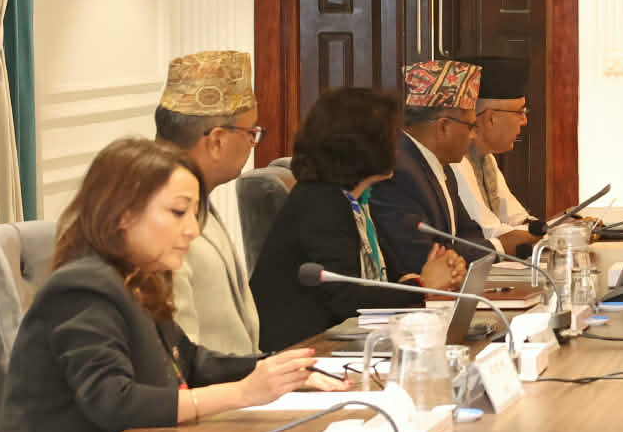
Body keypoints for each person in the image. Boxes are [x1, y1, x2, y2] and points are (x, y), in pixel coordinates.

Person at [0, 139, 325, 432]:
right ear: (123, 214)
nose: (192, 229)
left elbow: (188, 361)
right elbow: (114, 401)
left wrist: (276, 370)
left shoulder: (138, 276)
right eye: (178, 212)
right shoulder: (83, 286)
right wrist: (242, 393)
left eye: (195, 214)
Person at [250, 86, 421, 349]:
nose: (397, 151)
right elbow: (347, 298)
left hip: (340, 340)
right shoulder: (320, 202)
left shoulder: (357, 202)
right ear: (363, 146)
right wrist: (419, 290)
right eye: (391, 138)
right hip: (302, 350)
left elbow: (392, 278)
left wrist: (416, 283)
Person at [151, 49, 266, 355]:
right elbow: (177, 354)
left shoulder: (195, 195)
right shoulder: (158, 212)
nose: (253, 143)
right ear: (217, 141)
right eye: (251, 132)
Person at [368, 60, 483, 291]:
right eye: (471, 126)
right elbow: (420, 257)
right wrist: (456, 262)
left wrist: (455, 260)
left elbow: (470, 233)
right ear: (443, 127)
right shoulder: (398, 170)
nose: (474, 137)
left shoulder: (442, 166)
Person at [451, 54, 543, 255]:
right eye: (520, 112)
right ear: (491, 118)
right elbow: (490, 232)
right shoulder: (457, 161)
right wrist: (553, 235)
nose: (524, 121)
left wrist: (562, 228)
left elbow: (516, 218)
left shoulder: (487, 159)